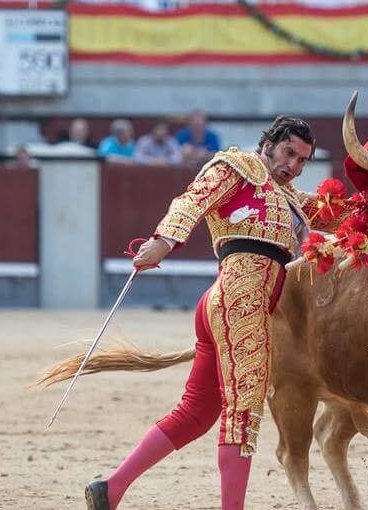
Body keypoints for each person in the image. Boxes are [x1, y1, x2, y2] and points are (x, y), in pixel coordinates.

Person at [83, 117, 343, 510]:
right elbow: (192, 199)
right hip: (240, 299)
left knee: (197, 412)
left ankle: (112, 488)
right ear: (269, 143)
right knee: (244, 407)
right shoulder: (238, 166)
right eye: (289, 153)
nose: (293, 165)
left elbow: (337, 214)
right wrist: (162, 242)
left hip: (225, 302)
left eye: (303, 160)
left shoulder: (289, 198)